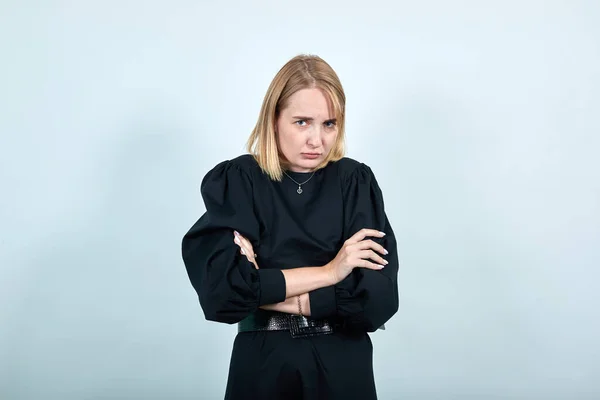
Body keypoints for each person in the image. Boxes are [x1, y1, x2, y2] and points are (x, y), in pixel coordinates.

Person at [181, 54, 399, 399]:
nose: (317, 140)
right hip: (264, 364)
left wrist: (261, 287)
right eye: (302, 122)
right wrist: (331, 271)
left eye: (329, 123)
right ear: (274, 119)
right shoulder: (240, 181)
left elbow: (375, 300)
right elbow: (223, 294)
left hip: (343, 364)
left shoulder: (354, 182)